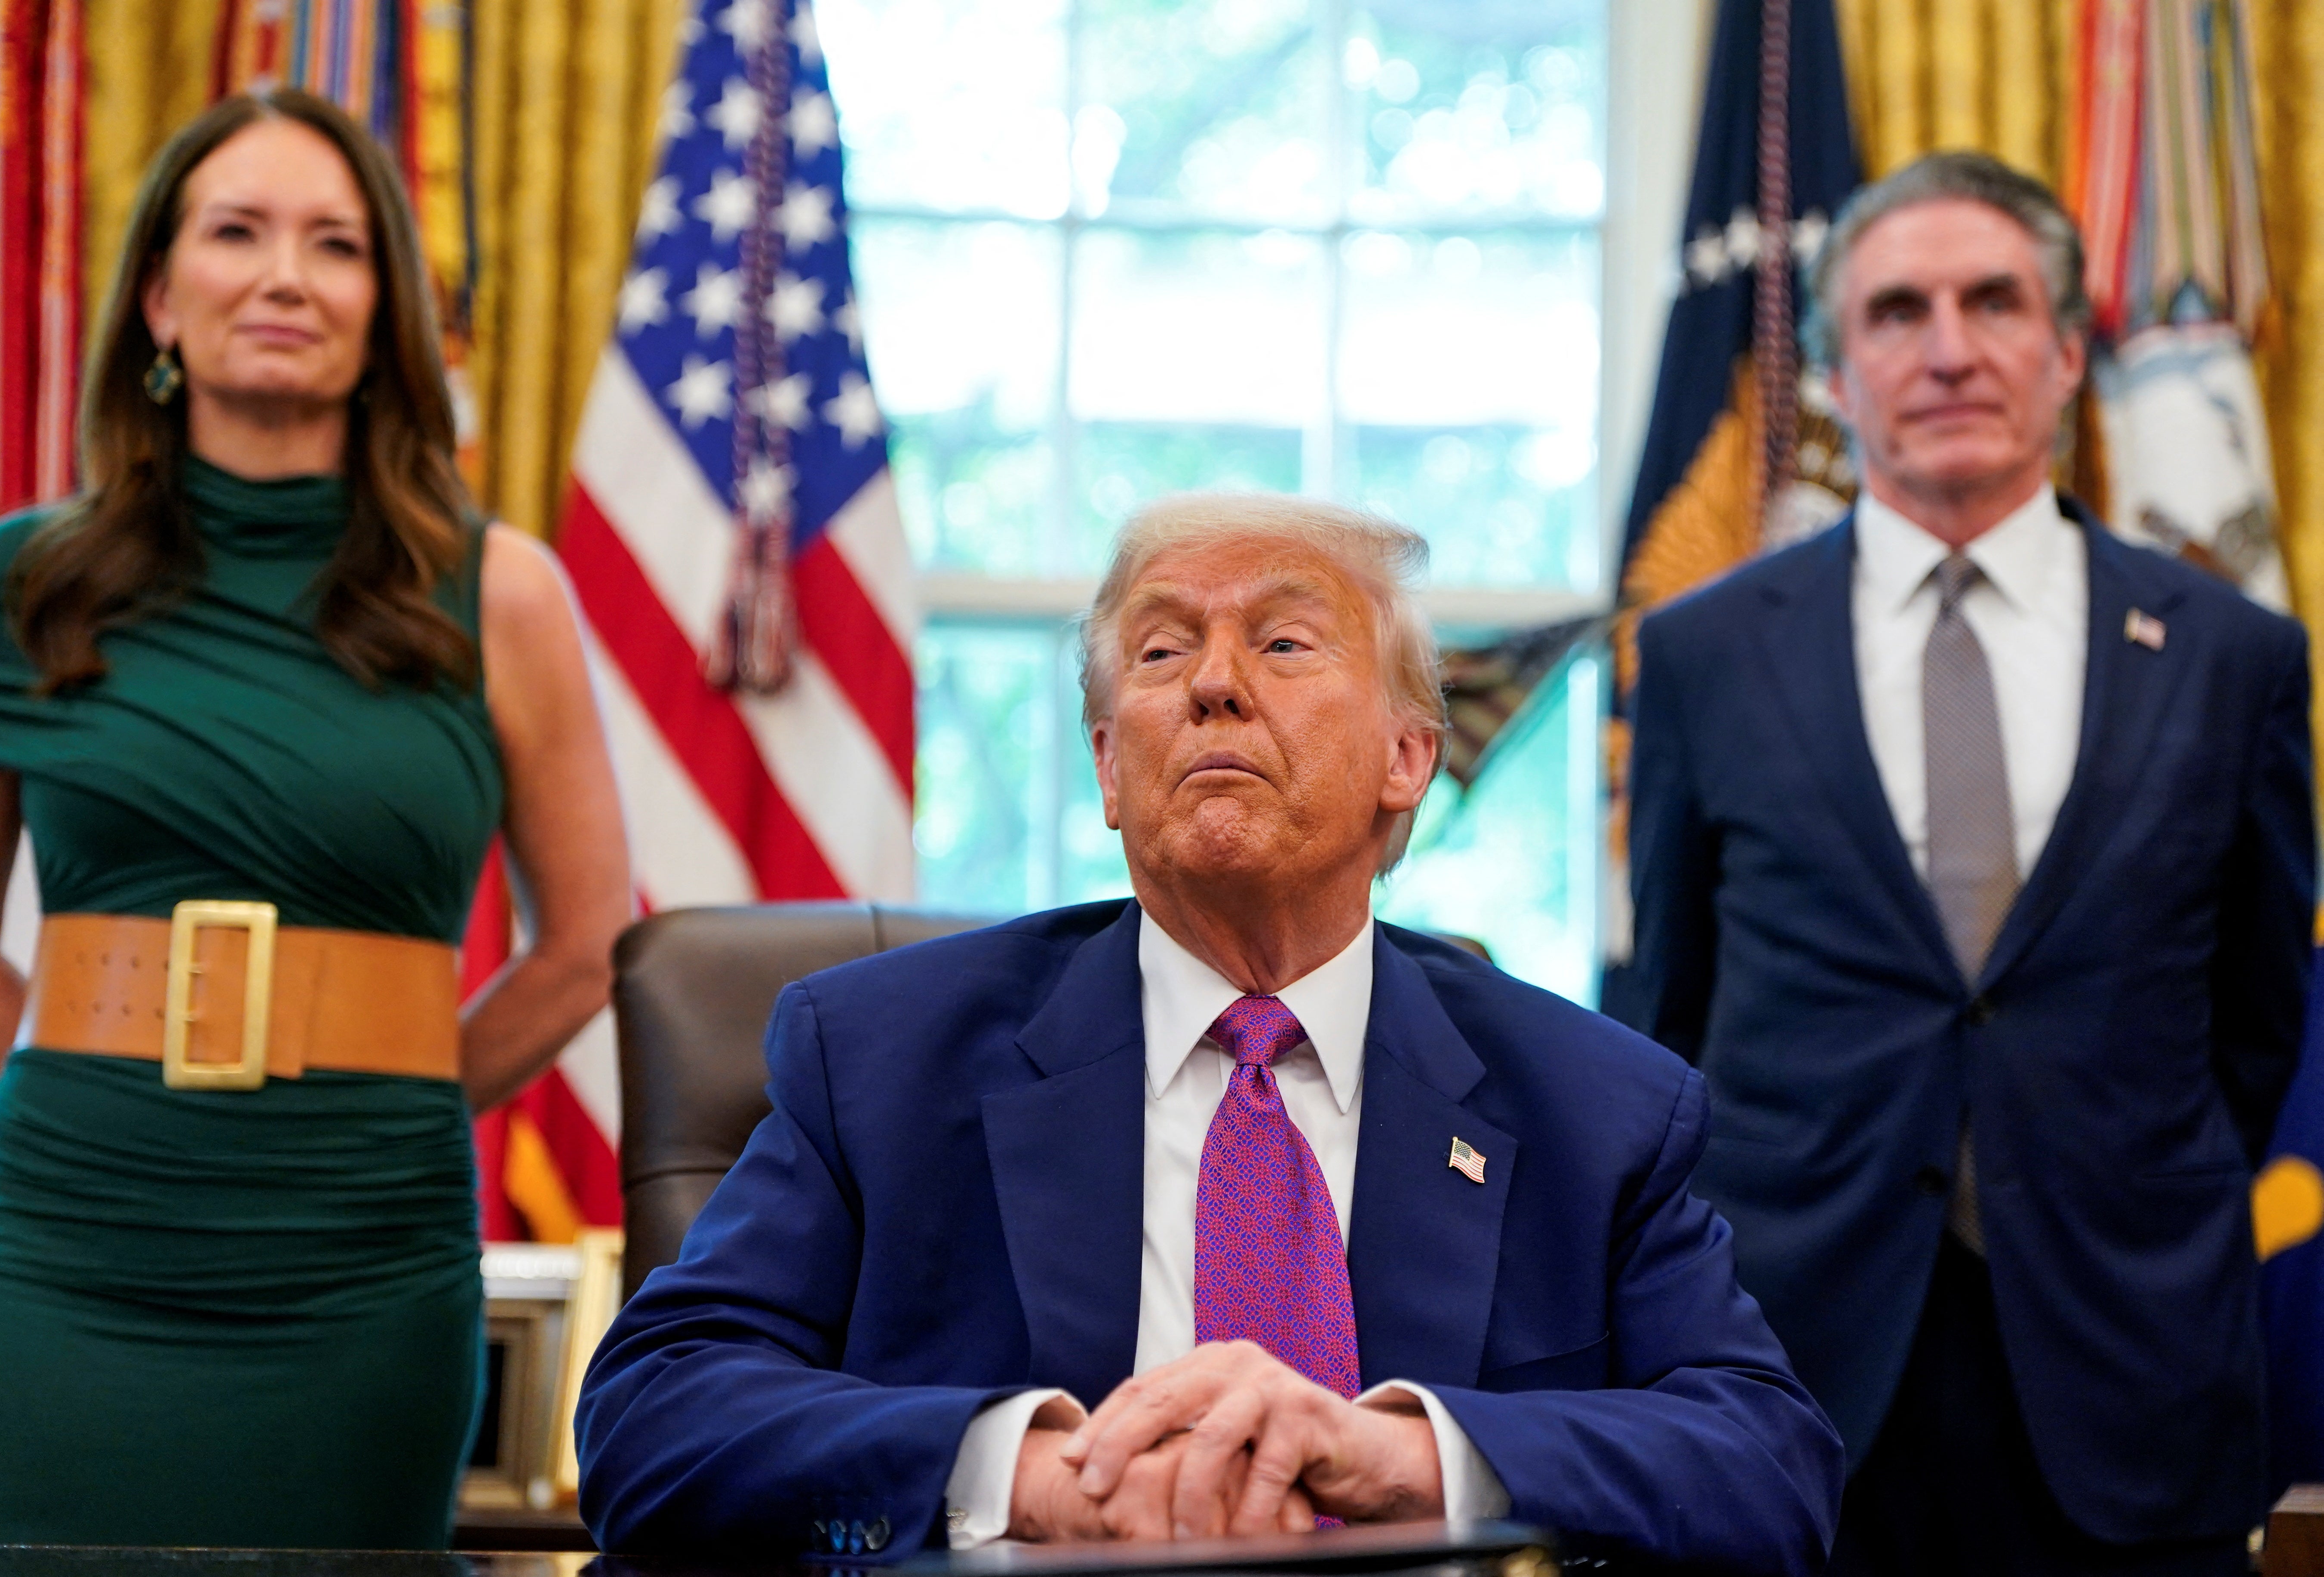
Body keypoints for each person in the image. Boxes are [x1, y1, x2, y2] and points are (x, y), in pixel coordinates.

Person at [577, 493, 1844, 1573]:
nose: (1217, 684)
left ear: (1409, 755)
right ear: (1109, 768)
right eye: (1160, 653)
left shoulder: (1595, 1104)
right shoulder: (879, 1058)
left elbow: (1769, 1468)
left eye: (1284, 642)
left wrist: (1402, 1455)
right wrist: (1029, 1473)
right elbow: (655, 1412)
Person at [1623, 151, 2314, 1576]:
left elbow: (2254, 1022)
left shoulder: (2230, 656)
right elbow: (1673, 1012)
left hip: (2131, 1373)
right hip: (1794, 1379)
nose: (1945, 349)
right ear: (1831, 373)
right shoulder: (1702, 653)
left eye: (1992, 302)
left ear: (2065, 351)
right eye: (1894, 313)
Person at [0, 89, 632, 1546]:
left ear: (383, 307)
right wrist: (57, 1083)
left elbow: (587, 942)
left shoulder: (497, 588)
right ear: (157, 294)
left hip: (363, 1250)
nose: (283, 275)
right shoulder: (26, 576)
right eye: (237, 232)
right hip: (65, 1235)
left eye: (334, 245)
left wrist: (386, 1094)